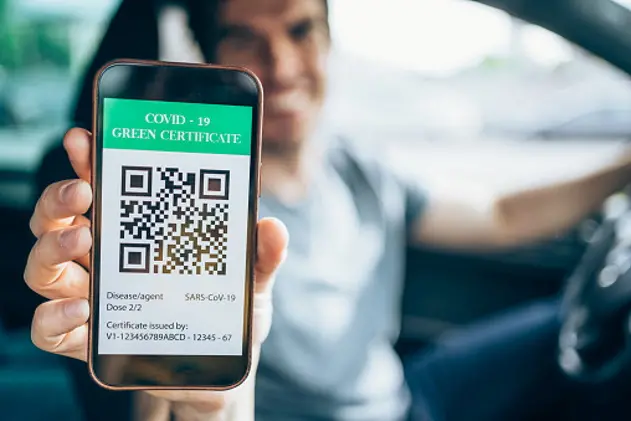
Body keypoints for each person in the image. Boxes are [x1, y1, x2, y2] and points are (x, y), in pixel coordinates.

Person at [24, 0, 631, 420]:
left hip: (406, 392)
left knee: (573, 321)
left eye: (300, 30)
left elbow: (500, 215)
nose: (282, 64)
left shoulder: (356, 164)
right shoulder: (197, 195)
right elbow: (167, 391)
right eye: (245, 37)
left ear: (329, 43)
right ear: (214, 57)